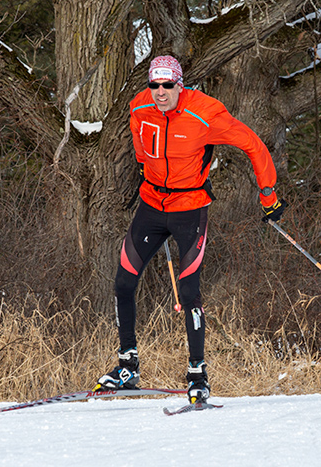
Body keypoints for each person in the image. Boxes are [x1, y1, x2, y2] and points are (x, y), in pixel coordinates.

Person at [94, 55, 286, 403]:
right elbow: (141, 149)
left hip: (189, 209)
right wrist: (147, 171)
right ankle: (127, 366)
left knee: (189, 292)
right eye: (155, 85)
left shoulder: (205, 112)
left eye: (168, 85)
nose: (161, 92)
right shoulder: (140, 108)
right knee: (123, 282)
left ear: (180, 84)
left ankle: (197, 373)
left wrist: (268, 193)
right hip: (152, 206)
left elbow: (253, 145)